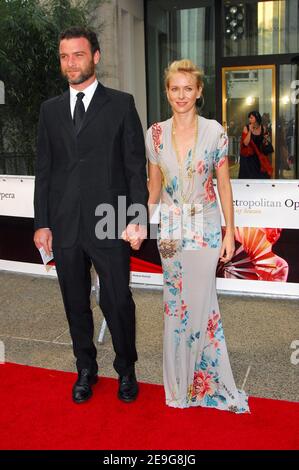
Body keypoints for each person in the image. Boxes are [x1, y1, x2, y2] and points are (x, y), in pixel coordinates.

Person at [33, 27, 148, 404]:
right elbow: (45, 170)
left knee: (117, 300)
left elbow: (134, 167)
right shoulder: (49, 110)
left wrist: (136, 217)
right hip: (65, 223)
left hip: (110, 218)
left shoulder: (121, 104)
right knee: (74, 300)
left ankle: (126, 369)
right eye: (65, 56)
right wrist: (42, 223)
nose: (71, 63)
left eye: (78, 55)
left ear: (95, 56)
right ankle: (85, 368)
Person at [146, 59, 249, 413]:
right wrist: (138, 222)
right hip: (172, 229)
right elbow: (154, 189)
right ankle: (178, 388)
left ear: (199, 91)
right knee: (174, 306)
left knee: (202, 306)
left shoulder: (215, 132)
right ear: (167, 91)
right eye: (174, 88)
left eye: (188, 88)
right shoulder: (155, 134)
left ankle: (204, 383)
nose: (181, 95)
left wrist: (229, 231)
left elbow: (223, 184)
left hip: (204, 226)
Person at [238, 111, 273, 179]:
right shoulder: (246, 128)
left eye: (251, 118)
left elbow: (264, 142)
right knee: (249, 178)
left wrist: (265, 138)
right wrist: (250, 131)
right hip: (248, 158)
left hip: (259, 157)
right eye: (249, 118)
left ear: (256, 118)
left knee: (261, 177)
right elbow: (245, 143)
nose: (249, 119)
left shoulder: (263, 128)